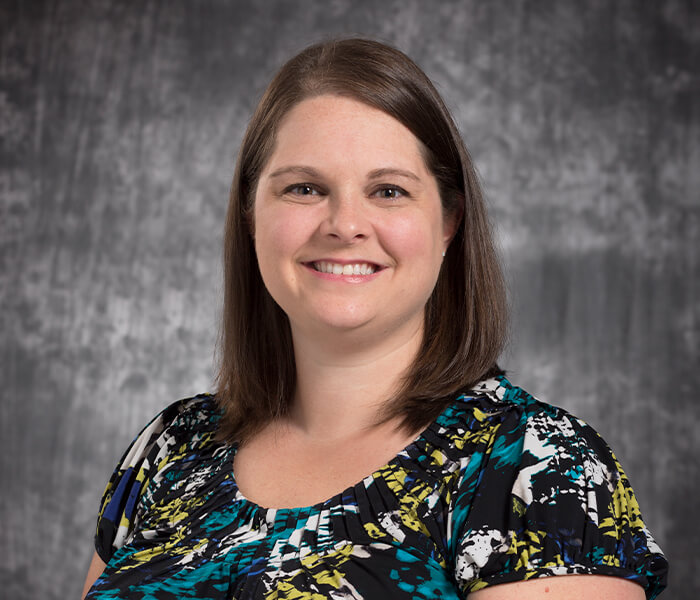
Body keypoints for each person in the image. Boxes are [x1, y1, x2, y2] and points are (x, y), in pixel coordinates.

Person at [81, 38, 668, 599]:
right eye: (305, 188)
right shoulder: (172, 447)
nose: (344, 224)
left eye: (388, 191)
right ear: (250, 214)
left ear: (448, 223)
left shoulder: (534, 467)